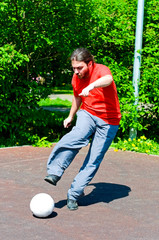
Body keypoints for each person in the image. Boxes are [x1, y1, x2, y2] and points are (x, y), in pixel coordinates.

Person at [44, 48, 121, 210]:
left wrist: (92, 86)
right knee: (77, 135)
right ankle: (55, 172)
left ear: (90, 63)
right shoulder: (76, 78)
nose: (76, 72)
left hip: (109, 120)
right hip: (88, 113)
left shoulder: (101, 70)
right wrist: (71, 116)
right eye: (74, 68)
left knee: (94, 158)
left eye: (80, 68)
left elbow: (107, 79)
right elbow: (77, 96)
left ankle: (74, 194)